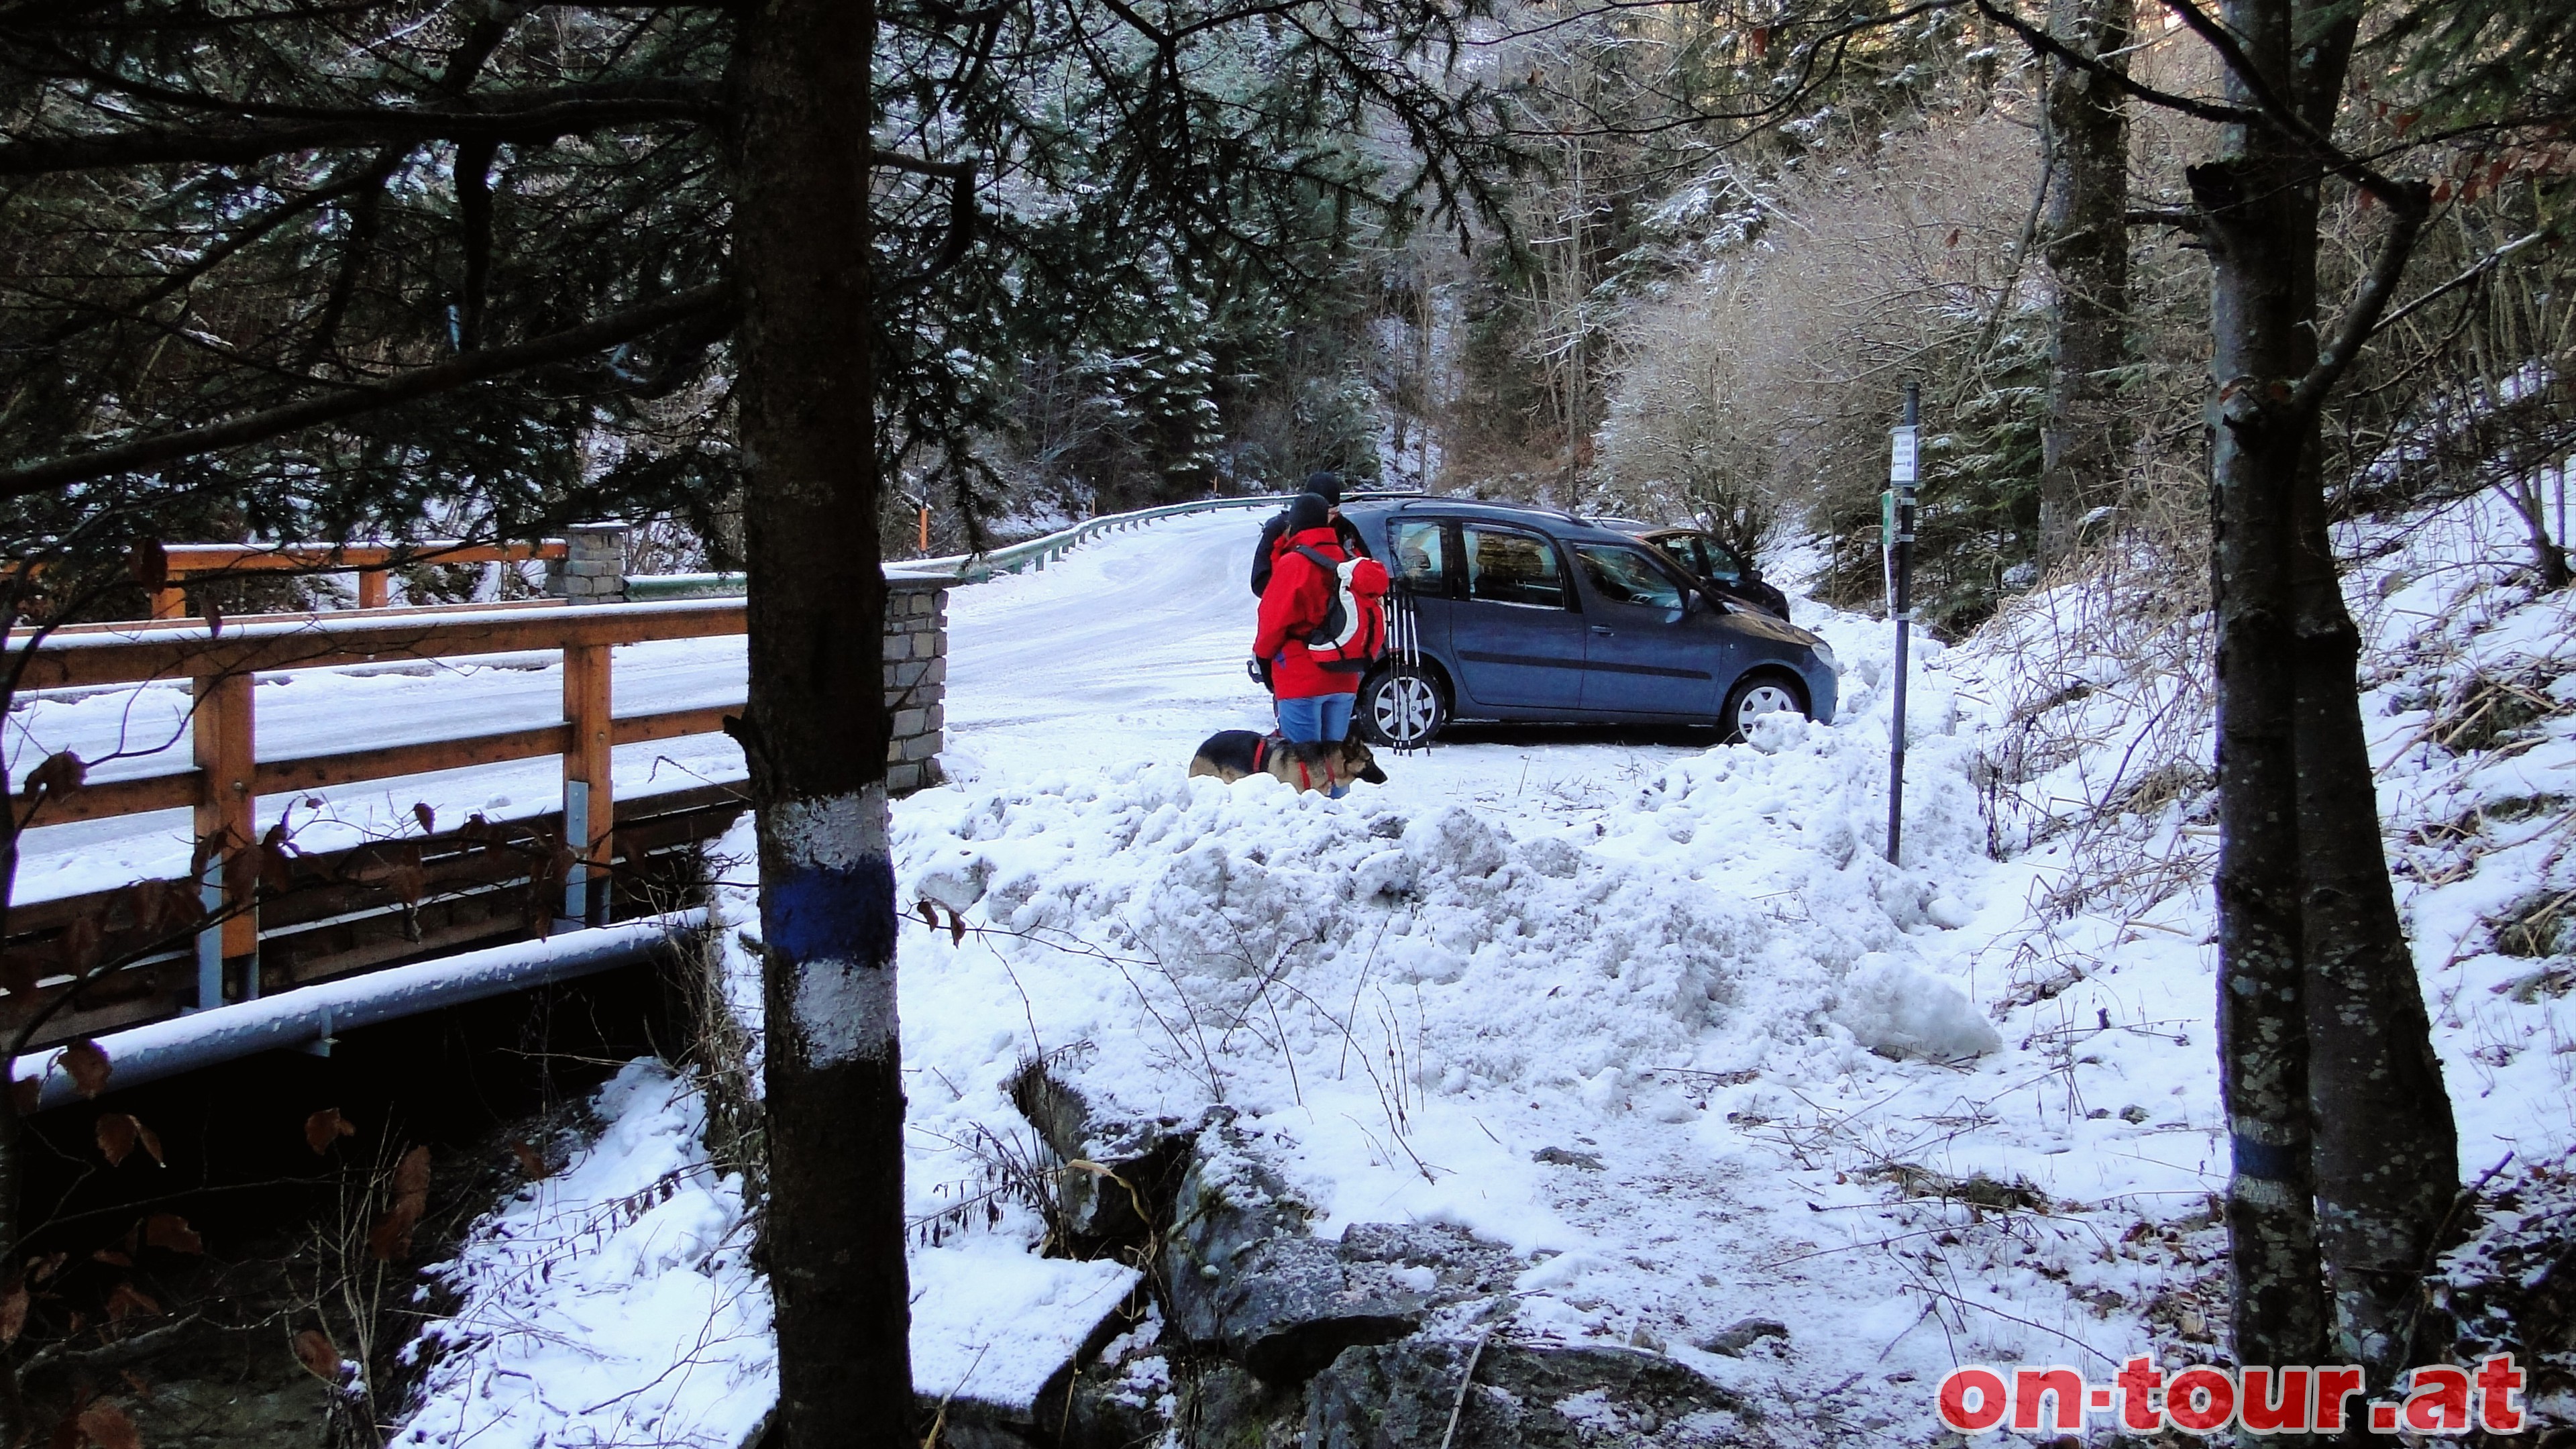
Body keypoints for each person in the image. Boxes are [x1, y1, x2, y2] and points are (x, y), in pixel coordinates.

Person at [1252, 492, 1362, 778]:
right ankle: (1338, 820)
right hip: (1345, 675)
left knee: (1304, 770)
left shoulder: (1294, 563)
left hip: (1301, 678)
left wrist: (1264, 663)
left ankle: (1308, 820)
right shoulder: (1348, 558)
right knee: (1337, 766)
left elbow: (1272, 623)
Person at [1250, 470, 1368, 596]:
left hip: (1337, 608)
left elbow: (1366, 566)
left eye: (1336, 512)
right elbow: (1260, 582)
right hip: (1293, 605)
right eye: (1328, 513)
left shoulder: (1344, 528)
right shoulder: (1279, 528)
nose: (1332, 518)